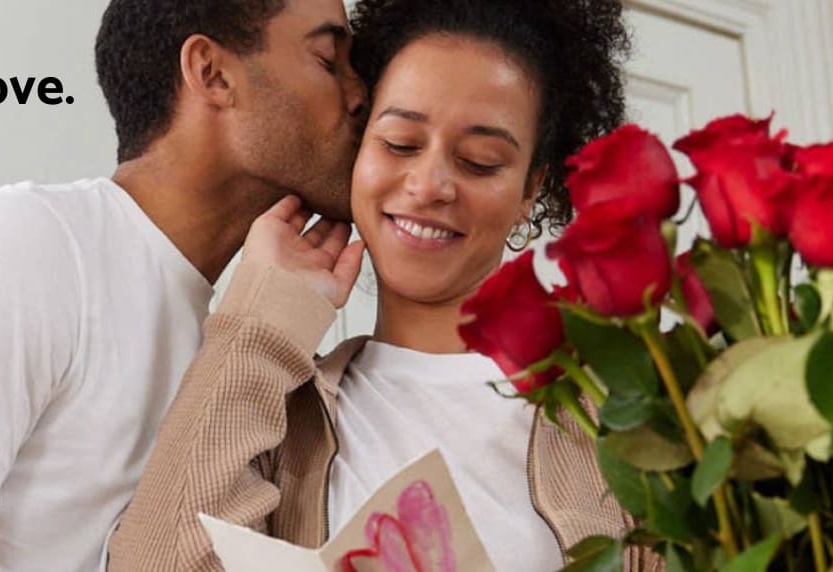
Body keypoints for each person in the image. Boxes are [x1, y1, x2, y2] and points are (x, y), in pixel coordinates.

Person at [0, 0, 366, 570]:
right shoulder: (24, 248)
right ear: (212, 74)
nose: (360, 94)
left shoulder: (229, 352)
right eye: (329, 60)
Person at [108, 0, 660, 570]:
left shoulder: (620, 422)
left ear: (529, 191)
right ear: (358, 148)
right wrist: (259, 326)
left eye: (479, 161)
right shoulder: (281, 416)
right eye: (399, 143)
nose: (430, 185)